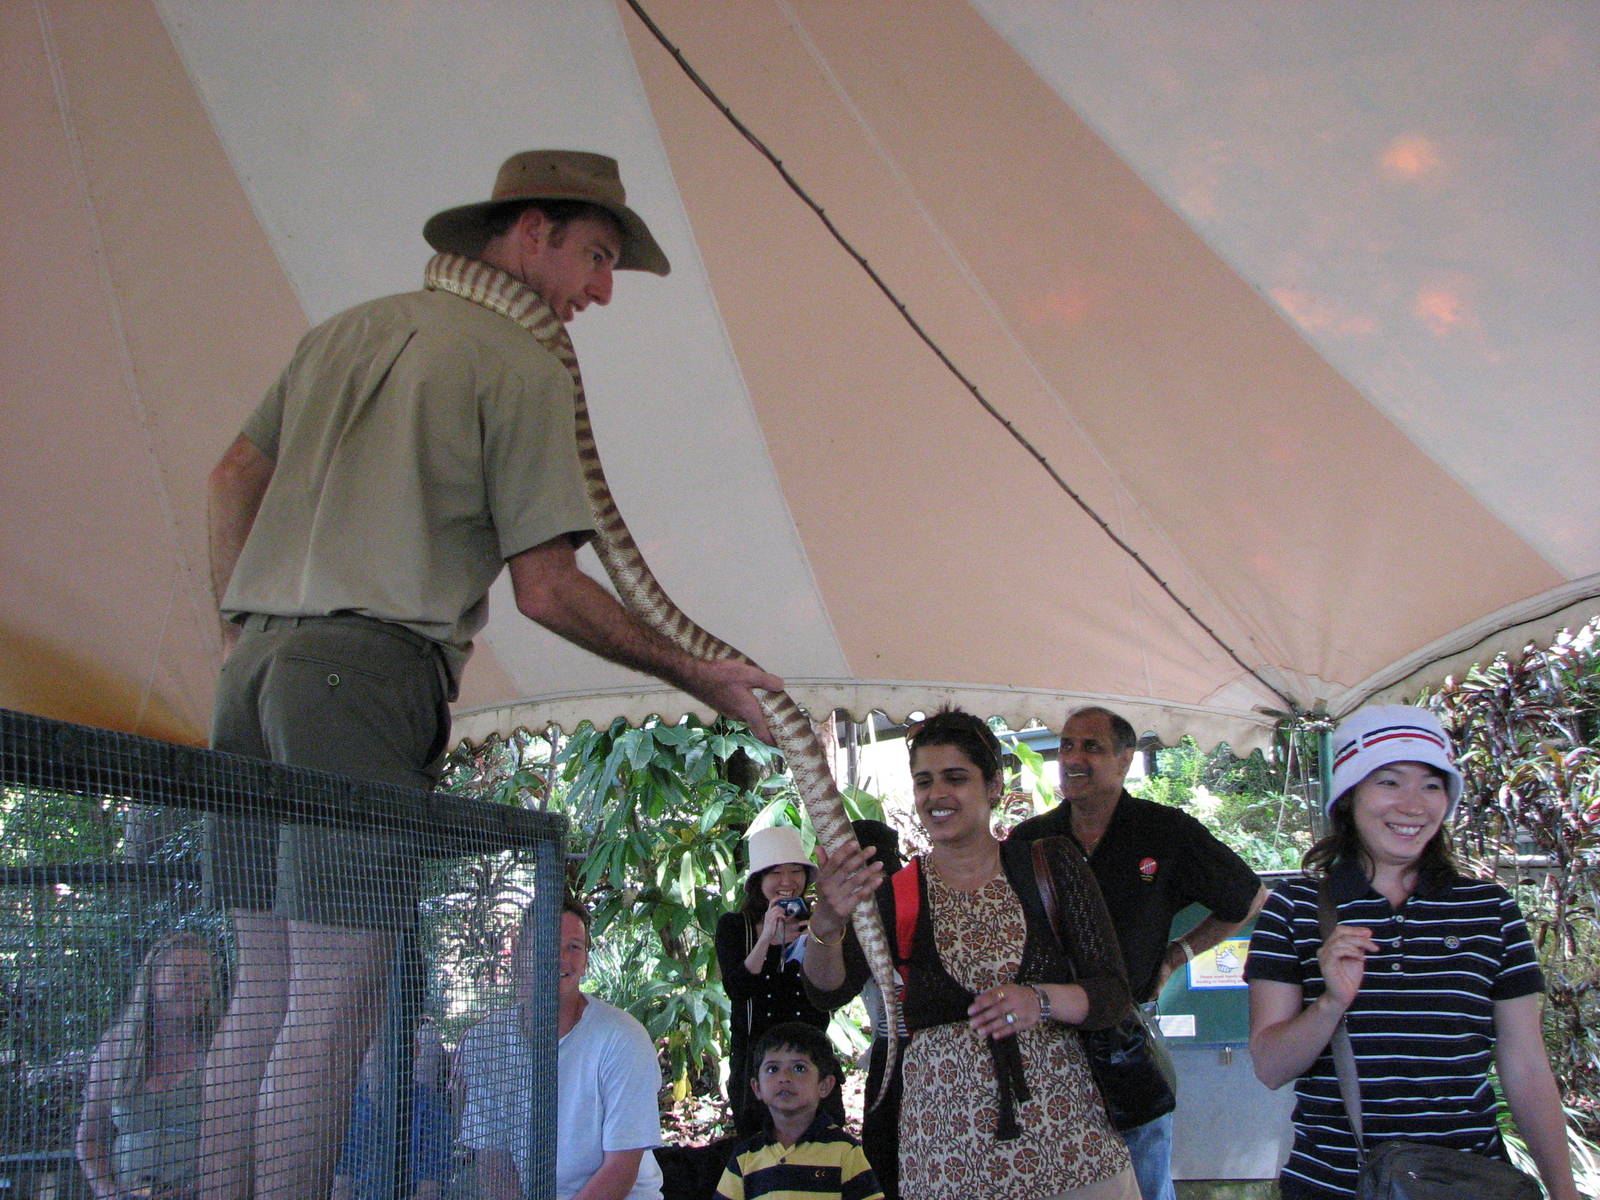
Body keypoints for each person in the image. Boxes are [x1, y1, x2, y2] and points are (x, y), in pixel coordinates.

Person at [201, 149, 782, 1200]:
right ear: (531, 232)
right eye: (595, 256)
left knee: (265, 991)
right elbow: (548, 590)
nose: (601, 290)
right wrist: (696, 674)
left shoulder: (345, 330)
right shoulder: (520, 361)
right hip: (363, 675)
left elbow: (230, 477)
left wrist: (239, 632)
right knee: (336, 994)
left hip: (255, 675)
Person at [1245, 705, 1580, 1200]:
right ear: (1349, 796)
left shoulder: (1489, 910)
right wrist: (1331, 1003)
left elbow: (1526, 1066)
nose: (1413, 805)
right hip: (1335, 1184)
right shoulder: (1295, 908)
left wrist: (1564, 1191)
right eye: (1389, 782)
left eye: (1431, 785)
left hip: (1471, 1184)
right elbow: (1271, 1068)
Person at [804, 708, 1139, 1200]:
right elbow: (826, 992)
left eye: (955, 778)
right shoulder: (896, 892)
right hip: (946, 1157)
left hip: (1071, 1148)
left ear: (993, 785)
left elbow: (1112, 993)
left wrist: (1039, 1000)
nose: (936, 794)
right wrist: (827, 921)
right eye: (924, 781)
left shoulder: (1049, 865)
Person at [1009, 705, 1267, 1200]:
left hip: (1127, 1036)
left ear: (1125, 759)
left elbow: (1248, 897)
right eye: (1066, 746)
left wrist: (1177, 955)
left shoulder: (1164, 832)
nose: (1073, 758)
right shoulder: (1030, 841)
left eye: (1091, 747)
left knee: (1144, 1177)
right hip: (1043, 1037)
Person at [457, 899, 664, 1200]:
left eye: (574, 947)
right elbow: (493, 1160)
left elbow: (620, 1170)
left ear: (586, 960)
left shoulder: (623, 1038)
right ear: (517, 951)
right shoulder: (485, 1040)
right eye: (547, 943)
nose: (561, 958)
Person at [716, 825, 842, 1139]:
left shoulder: (817, 923)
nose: (787, 882)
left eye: (795, 871)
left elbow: (832, 990)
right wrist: (768, 940)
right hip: (757, 1064)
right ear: (759, 881)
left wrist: (818, 934)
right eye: (776, 873)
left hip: (811, 1060)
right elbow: (737, 989)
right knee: (759, 1148)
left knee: (822, 1147)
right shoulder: (736, 927)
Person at [77, 931, 222, 1200]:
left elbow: (239, 1138)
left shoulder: (221, 1047)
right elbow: (90, 1138)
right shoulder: (115, 1048)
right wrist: (108, 1193)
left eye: (204, 978)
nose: (195, 985)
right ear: (153, 980)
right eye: (182, 975)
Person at [713, 1022, 882, 1200]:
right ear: (757, 1087)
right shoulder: (746, 1157)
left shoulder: (846, 1152)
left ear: (825, 1085)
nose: (784, 1077)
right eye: (773, 1069)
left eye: (799, 1068)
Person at [845, 819, 905, 1199]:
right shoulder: (907, 890)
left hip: (902, 1045)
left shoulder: (877, 903)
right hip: (892, 1045)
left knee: (887, 1154)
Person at [330, 1018, 453, 1200]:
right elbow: (341, 1183)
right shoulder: (349, 1105)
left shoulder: (431, 1107)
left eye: (394, 1047)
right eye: (377, 1046)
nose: (385, 1056)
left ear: (415, 1051)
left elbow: (429, 1189)